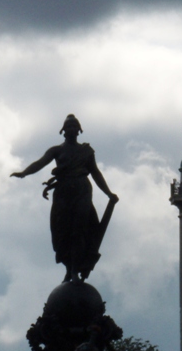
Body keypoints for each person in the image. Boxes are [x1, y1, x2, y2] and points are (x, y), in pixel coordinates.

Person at [11, 114, 119, 283]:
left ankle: (75, 270)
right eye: (68, 127)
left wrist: (108, 193)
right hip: (62, 192)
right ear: (62, 131)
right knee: (62, 232)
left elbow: (96, 173)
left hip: (82, 190)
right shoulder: (57, 150)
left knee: (79, 230)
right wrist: (24, 172)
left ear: (79, 130)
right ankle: (69, 268)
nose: (71, 129)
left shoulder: (86, 152)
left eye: (74, 126)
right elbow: (40, 163)